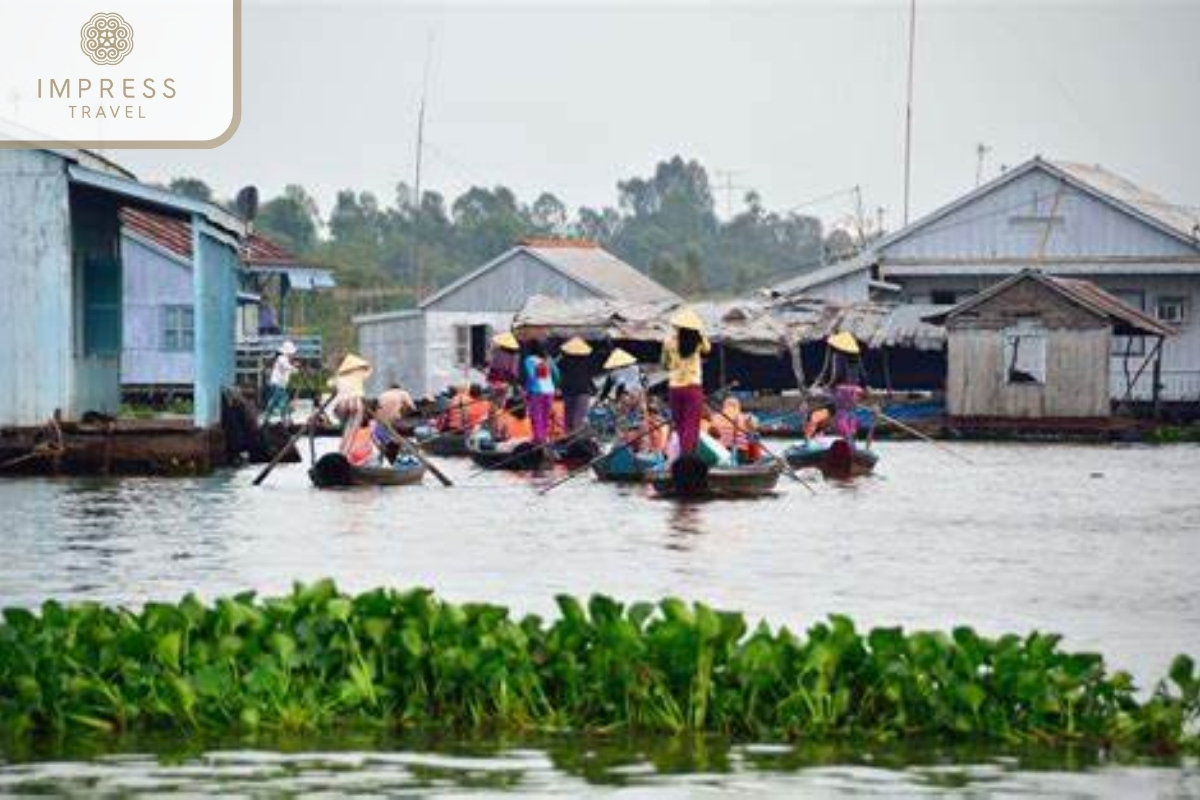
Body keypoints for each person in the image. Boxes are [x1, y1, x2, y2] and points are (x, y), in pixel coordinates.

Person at [660, 308, 711, 456]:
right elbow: (708, 349)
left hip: (674, 387)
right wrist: (700, 333)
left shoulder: (669, 341)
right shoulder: (698, 341)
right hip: (693, 387)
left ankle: (685, 455)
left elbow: (664, 364)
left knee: (680, 423)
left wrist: (674, 365)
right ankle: (687, 456)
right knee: (691, 425)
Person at [331, 353, 372, 455]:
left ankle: (341, 450)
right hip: (355, 403)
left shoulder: (338, 376)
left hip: (341, 406)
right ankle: (344, 453)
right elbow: (369, 369)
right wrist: (361, 364)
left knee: (346, 428)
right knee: (352, 430)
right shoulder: (359, 372)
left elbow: (330, 384)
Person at [827, 331, 865, 440]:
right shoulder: (856, 357)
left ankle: (846, 438)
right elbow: (862, 374)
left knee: (841, 414)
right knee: (851, 413)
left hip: (842, 390)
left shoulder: (838, 356)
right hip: (855, 390)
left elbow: (838, 374)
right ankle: (851, 437)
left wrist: (830, 386)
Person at [522, 340, 559, 444]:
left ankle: (538, 440)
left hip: (536, 390)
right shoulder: (548, 359)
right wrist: (554, 386)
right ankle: (545, 438)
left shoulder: (529, 359)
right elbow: (557, 375)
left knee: (536, 416)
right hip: (550, 391)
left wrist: (527, 390)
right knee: (545, 416)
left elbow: (531, 376)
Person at [557, 337, 594, 434]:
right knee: (578, 421)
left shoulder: (563, 361)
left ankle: (569, 442)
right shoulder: (588, 361)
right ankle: (576, 442)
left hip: (568, 391)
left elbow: (558, 374)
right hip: (582, 392)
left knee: (568, 419)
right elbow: (589, 376)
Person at [709, 396, 761, 463]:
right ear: (738, 406)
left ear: (724, 406)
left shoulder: (715, 417)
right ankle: (755, 459)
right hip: (740, 453)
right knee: (754, 435)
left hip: (719, 451)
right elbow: (755, 424)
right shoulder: (744, 417)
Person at [262, 340, 299, 423]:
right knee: (283, 401)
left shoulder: (286, 360)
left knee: (276, 402)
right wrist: (295, 369)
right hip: (277, 385)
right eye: (292, 353)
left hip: (280, 386)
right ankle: (285, 420)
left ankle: (269, 419)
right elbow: (286, 367)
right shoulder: (281, 358)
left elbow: (288, 371)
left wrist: (294, 368)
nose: (293, 354)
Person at [486, 331, 522, 407]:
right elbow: (513, 371)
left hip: (493, 379)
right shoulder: (515, 355)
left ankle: (493, 415)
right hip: (505, 380)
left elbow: (489, 363)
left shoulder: (496, 351)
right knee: (501, 401)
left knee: (492, 402)